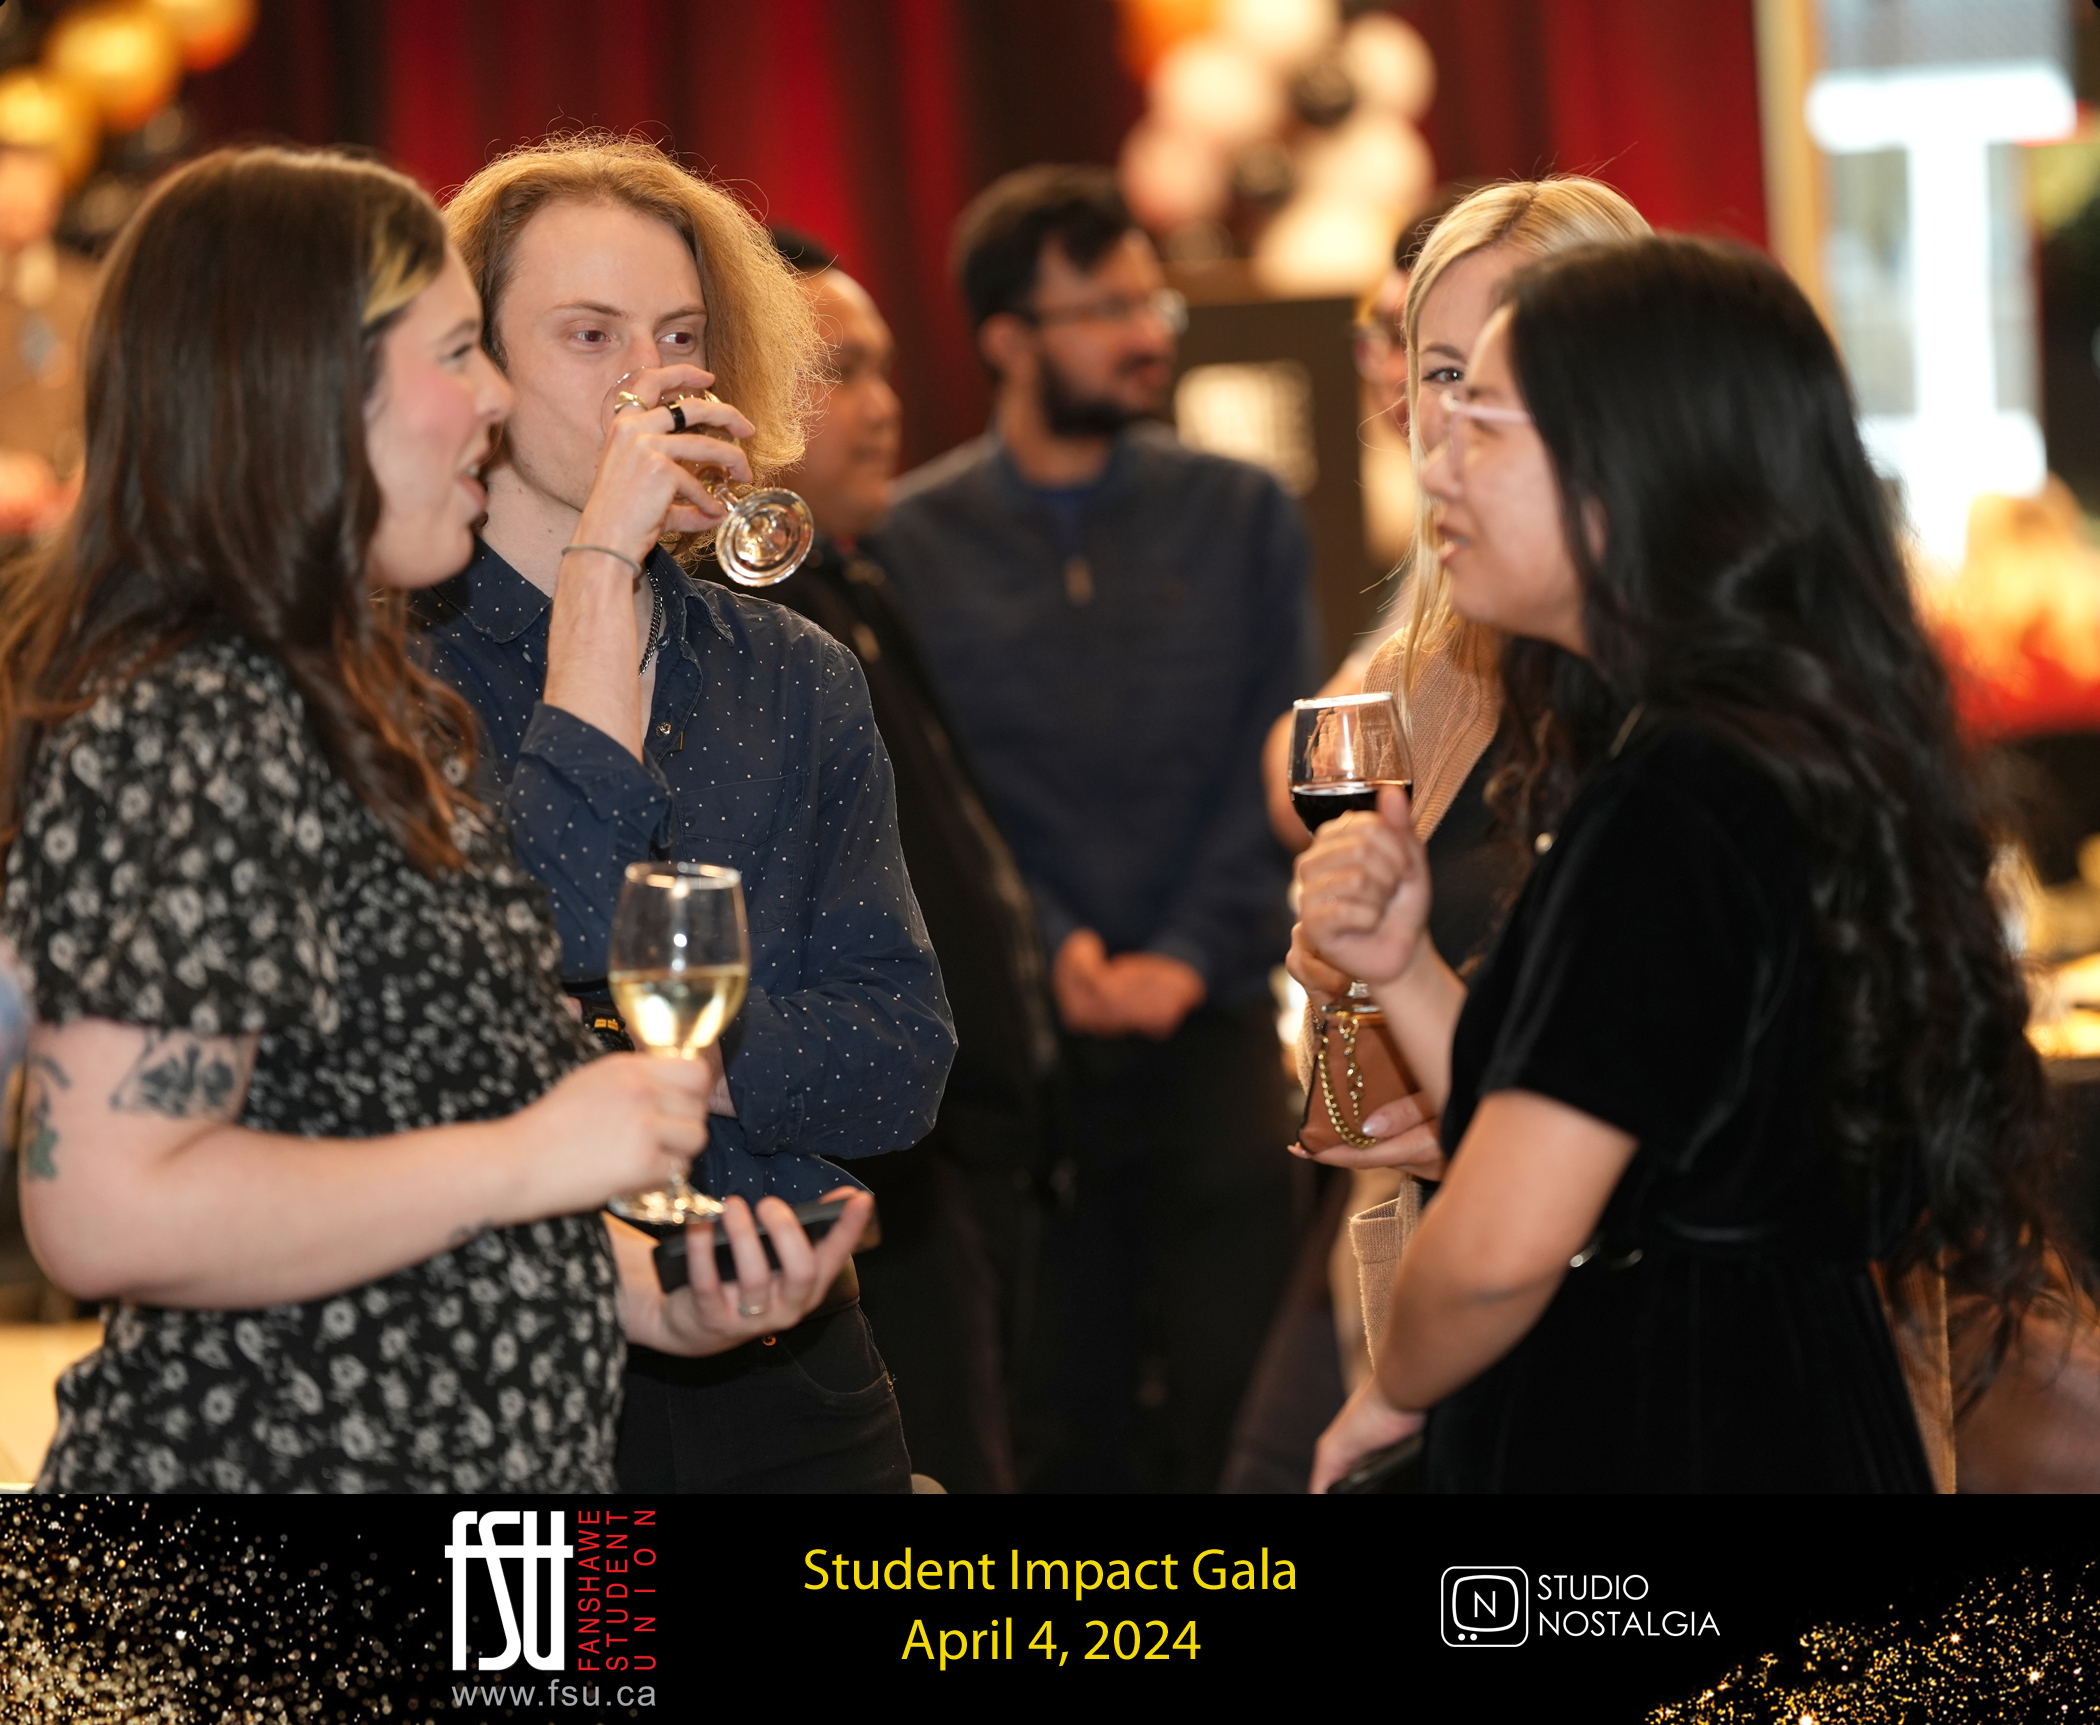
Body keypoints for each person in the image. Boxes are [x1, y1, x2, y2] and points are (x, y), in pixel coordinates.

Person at [0, 146, 871, 1494]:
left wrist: (639, 1291)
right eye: (459, 353)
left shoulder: (350, 696)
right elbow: (105, 1212)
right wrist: (534, 1157)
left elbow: (379, 1133)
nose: (494, 400)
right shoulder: (194, 707)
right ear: (307, 383)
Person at [1304, 235, 2078, 1492]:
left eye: (1483, 422)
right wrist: (1401, 965)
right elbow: (1570, 1127)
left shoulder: (1681, 791)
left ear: (1631, 466)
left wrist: (1392, 1393)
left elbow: (1505, 1243)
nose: (1435, 458)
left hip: (1684, 1424)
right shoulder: (1742, 742)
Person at [417, 134, 954, 1494]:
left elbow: (904, 1053)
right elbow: (513, 988)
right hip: (503, 1368)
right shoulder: (391, 669)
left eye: (678, 337)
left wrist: (688, 1065)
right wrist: (598, 576)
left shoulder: (791, 669)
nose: (648, 381)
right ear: (477, 367)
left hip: (787, 1349)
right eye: (589, 334)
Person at [870, 165, 1316, 1492]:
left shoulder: (1243, 513)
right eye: (1106, 309)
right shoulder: (908, 545)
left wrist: (1182, 954)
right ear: (1008, 339)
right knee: (1056, 1423)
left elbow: (1278, 763)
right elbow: (940, 797)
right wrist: (1053, 946)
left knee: (1244, 1410)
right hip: (1021, 1052)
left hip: (1216, 1018)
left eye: (1149, 302)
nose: (1146, 335)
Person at [1222, 181, 1650, 1492]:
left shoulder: (1704, 708)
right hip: (1457, 1319)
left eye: (1507, 375)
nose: (1454, 424)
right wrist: (1369, 1049)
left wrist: (1467, 1099)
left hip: (1657, 1346)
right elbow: (1354, 1024)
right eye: (1442, 372)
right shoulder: (1429, 672)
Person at [692, 225, 1056, 1493]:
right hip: (849, 1203)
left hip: (957, 1153)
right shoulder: (732, 639)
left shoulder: (853, 597)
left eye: (888, 369)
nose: (885, 407)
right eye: (840, 372)